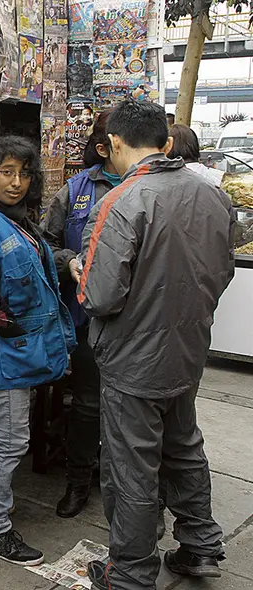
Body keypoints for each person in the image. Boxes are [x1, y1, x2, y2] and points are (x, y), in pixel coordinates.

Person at [80, 100, 233, 590]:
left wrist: (78, 272)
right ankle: (200, 544)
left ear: (117, 145)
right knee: (184, 445)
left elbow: (100, 296)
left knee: (132, 466)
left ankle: (129, 571)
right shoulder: (212, 195)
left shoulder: (121, 201)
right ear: (165, 143)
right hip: (187, 351)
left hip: (132, 362)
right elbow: (223, 271)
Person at [0, 136, 76, 567]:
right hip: (5, 356)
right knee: (10, 443)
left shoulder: (18, 220)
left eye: (24, 173)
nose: (16, 182)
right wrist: (23, 336)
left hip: (10, 354)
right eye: (6, 172)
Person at [40, 111, 120, 520]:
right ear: (105, 146)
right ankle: (77, 482)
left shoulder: (150, 189)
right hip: (87, 319)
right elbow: (44, 241)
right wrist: (68, 260)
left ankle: (131, 489)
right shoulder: (77, 189)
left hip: (138, 326)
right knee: (88, 405)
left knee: (134, 410)